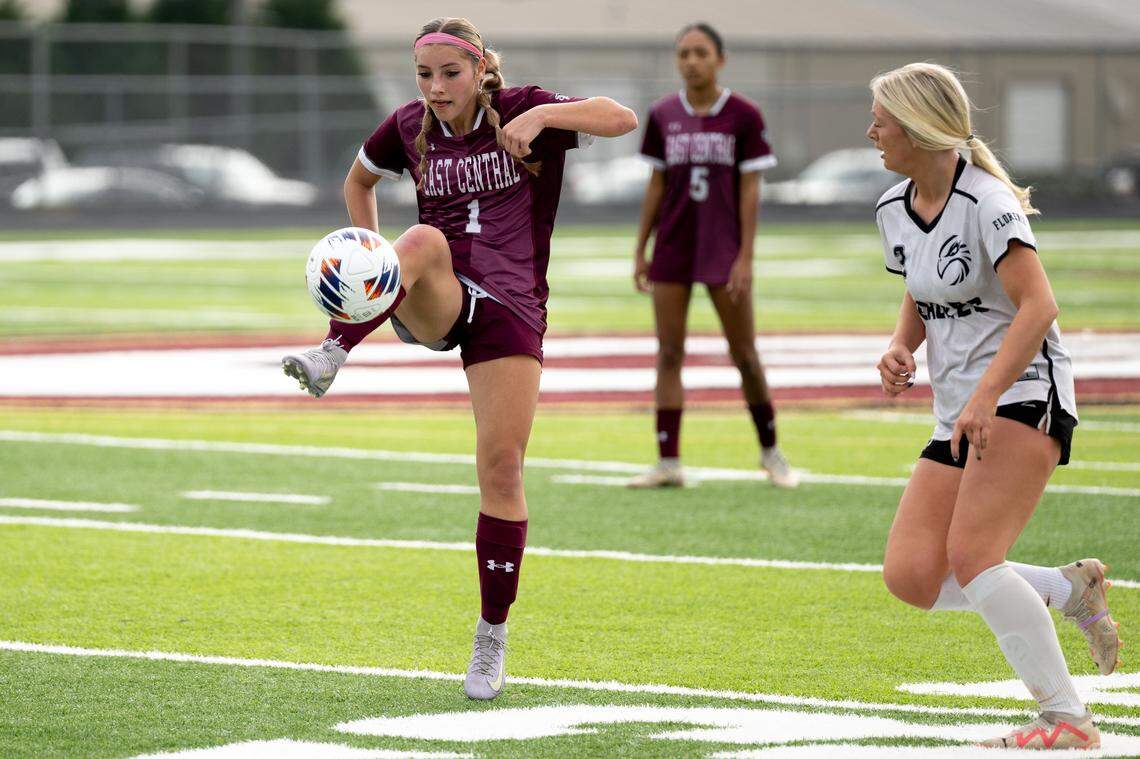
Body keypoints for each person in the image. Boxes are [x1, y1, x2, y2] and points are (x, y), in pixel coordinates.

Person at [281, 16, 637, 700]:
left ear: (480, 71)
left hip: (510, 308)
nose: (436, 87)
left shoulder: (526, 107)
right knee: (416, 239)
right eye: (425, 74)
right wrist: (370, 265)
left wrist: (544, 121)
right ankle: (333, 348)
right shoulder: (408, 125)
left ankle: (491, 634)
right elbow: (359, 182)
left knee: (502, 468)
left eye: (450, 73)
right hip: (438, 297)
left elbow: (619, 117)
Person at [869, 62, 1120, 749]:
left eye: (882, 121)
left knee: (976, 554)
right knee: (913, 574)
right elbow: (922, 289)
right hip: (963, 406)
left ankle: (1067, 720)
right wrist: (900, 345)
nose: (873, 133)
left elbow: (1039, 306)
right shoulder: (894, 207)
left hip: (1025, 394)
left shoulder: (986, 199)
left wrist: (985, 395)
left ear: (919, 127)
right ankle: (1071, 591)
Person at [627, 22, 796, 489]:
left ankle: (771, 452)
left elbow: (750, 190)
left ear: (720, 59)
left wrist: (745, 256)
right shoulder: (662, 113)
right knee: (668, 352)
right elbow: (656, 184)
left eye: (701, 53)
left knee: (744, 353)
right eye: (684, 53)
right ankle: (668, 462)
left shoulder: (743, 114)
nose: (692, 61)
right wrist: (641, 247)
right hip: (674, 247)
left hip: (723, 249)